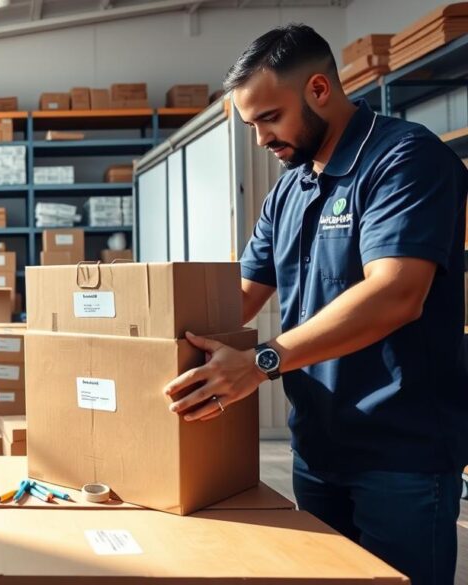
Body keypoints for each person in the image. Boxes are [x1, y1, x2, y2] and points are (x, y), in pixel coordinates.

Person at [162, 24, 468, 584]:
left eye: (270, 118)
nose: (260, 139)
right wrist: (149, 341)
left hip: (401, 453)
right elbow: (239, 296)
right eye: (251, 124)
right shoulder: (291, 188)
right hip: (319, 447)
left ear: (320, 89)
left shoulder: (404, 160)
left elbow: (397, 293)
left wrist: (260, 363)